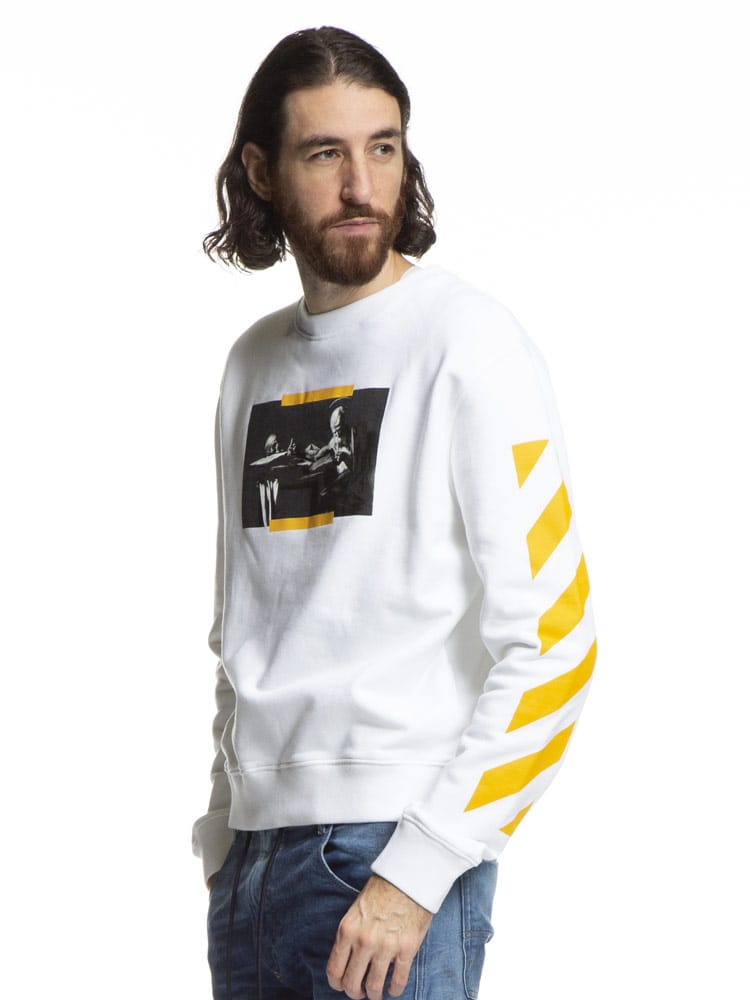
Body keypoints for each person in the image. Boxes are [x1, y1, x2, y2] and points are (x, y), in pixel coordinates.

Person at [193, 26, 596, 1000]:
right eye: (324, 153)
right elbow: (250, 623)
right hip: (253, 870)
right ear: (262, 171)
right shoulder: (253, 363)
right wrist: (221, 833)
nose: (361, 185)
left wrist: (420, 870)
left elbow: (556, 639)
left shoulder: (469, 342)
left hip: (386, 858)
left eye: (383, 147)